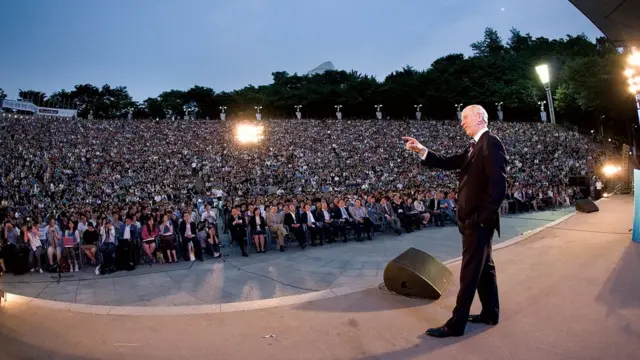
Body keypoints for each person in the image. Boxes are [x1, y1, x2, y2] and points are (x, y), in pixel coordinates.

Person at [403, 104, 507, 338]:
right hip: (475, 222)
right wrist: (422, 150)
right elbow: (448, 161)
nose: (462, 122)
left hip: (478, 223)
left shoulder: (491, 142)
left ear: (480, 118)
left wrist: (481, 219)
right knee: (485, 269)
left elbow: (499, 187)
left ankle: (456, 324)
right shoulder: (474, 147)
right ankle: (491, 312)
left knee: (469, 273)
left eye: (465, 118)